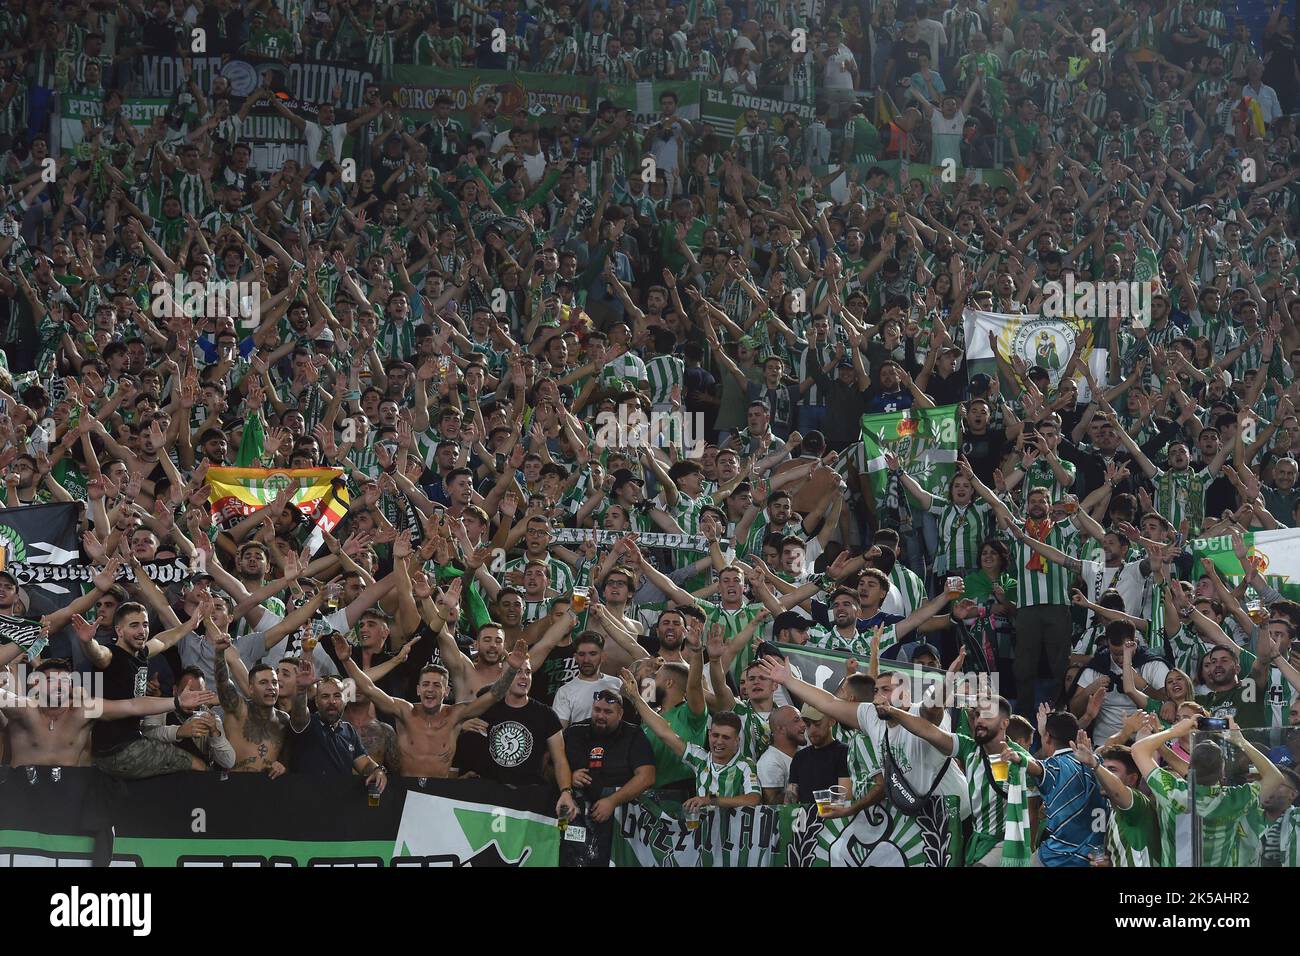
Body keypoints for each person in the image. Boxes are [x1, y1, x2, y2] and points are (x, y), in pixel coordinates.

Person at [331, 632, 526, 778]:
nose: (430, 690)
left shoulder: (455, 715)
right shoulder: (404, 710)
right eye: (425, 684)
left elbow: (493, 695)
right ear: (418, 689)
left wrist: (512, 671)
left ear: (446, 692)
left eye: (436, 685)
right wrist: (347, 661)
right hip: (405, 789)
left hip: (438, 793)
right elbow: (369, 688)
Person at [1, 658, 217, 768]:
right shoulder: (24, 709)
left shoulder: (83, 711)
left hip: (68, 792)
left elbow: (132, 706)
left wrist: (176, 702)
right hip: (22, 791)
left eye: (64, 681)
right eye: (50, 681)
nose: (58, 686)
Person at [786, 704, 851, 803]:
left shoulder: (844, 752)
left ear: (832, 721)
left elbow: (845, 798)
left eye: (817, 724)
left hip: (835, 815)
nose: (812, 730)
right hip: (805, 816)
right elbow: (790, 798)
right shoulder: (800, 757)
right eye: (807, 724)